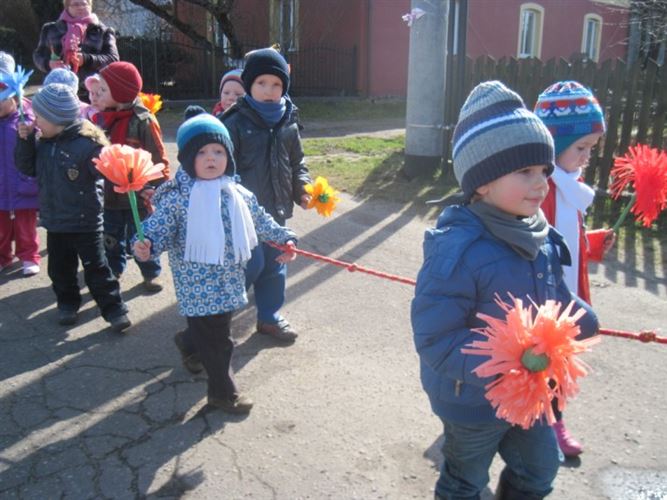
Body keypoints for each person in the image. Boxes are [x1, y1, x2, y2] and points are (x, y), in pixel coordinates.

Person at [411, 81, 599, 500]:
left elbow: (552, 298)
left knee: (540, 469)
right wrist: (505, 364)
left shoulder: (541, 237)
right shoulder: (457, 249)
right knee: (465, 479)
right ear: (482, 183)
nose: (541, 183)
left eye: (545, 171)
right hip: (472, 400)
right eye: (525, 172)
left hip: (531, 391)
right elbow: (435, 338)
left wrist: (577, 317)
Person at [133, 108, 297, 413]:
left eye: (219, 151)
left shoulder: (237, 193)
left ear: (229, 156)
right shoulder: (178, 198)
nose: (211, 158)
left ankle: (189, 342)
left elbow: (262, 221)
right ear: (187, 158)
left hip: (230, 280)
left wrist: (285, 237)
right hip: (196, 285)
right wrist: (146, 245)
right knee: (221, 341)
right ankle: (223, 393)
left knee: (211, 330)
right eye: (202, 152)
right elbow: (157, 229)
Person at [534, 80, 613, 458]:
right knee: (541, 356)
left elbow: (568, 240)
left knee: (560, 357)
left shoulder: (570, 187)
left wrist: (592, 244)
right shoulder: (540, 190)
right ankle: (542, 419)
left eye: (591, 148)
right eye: (581, 148)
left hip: (567, 290)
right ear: (554, 143)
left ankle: (554, 417)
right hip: (542, 293)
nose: (587, 157)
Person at [15, 83, 130, 331]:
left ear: (56, 119)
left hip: (86, 222)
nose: (35, 121)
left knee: (97, 270)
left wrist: (125, 175)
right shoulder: (42, 142)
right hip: (56, 222)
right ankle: (67, 304)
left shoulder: (87, 144)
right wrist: (24, 141)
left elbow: (108, 173)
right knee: (60, 270)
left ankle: (114, 310)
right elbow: (27, 168)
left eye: (39, 116)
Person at [222, 47, 311, 343]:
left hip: (276, 210)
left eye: (276, 84)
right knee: (250, 265)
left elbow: (297, 162)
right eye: (261, 83)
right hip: (243, 214)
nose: (269, 91)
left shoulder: (288, 120)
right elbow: (223, 169)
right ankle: (218, 315)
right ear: (249, 85)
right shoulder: (235, 122)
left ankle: (269, 317)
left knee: (275, 264)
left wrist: (303, 189)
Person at [93, 61, 170, 292]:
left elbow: (158, 156)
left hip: (138, 194)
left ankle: (150, 272)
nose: (98, 94)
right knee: (110, 236)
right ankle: (114, 270)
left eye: (104, 89)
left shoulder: (143, 120)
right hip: (109, 193)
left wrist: (159, 189)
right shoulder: (100, 119)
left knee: (141, 234)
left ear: (120, 92)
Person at [0, 52, 40, 275]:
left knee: (26, 225)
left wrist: (33, 132)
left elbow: (40, 143)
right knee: (1, 227)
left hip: (23, 182)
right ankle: (3, 256)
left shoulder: (27, 118)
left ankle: (29, 255)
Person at [33, 0, 119, 86]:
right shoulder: (50, 29)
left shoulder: (104, 31)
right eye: (75, 4)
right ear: (67, 7)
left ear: (90, 6)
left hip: (91, 88)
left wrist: (86, 59)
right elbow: (38, 55)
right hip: (56, 87)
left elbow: (113, 59)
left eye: (84, 4)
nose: (80, 7)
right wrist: (48, 64)